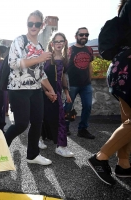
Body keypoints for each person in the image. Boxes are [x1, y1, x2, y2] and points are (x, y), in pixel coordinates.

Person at [4, 10, 56, 166]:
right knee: (21, 124)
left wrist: (50, 90)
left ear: (42, 25)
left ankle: (32, 155)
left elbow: (40, 74)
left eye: (37, 24)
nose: (33, 26)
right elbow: (13, 63)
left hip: (35, 90)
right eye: (30, 23)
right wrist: (39, 58)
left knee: (37, 122)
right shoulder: (19, 41)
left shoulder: (39, 46)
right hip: (18, 89)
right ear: (27, 24)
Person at [87, 0, 131, 185]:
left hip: (121, 68)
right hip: (127, 69)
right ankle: (100, 157)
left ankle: (123, 165)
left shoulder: (125, 9)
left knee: (128, 121)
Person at [40, 32, 74, 158]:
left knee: (60, 118)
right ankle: (39, 138)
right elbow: (40, 75)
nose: (59, 43)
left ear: (65, 42)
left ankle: (61, 146)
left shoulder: (65, 59)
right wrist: (46, 92)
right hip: (45, 91)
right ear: (52, 43)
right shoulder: (47, 57)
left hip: (57, 92)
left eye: (61, 41)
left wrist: (66, 92)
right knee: (42, 116)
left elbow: (62, 76)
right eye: (56, 41)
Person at [63, 27, 95, 139]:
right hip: (72, 84)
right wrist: (65, 85)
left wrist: (90, 80)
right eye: (81, 35)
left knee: (88, 106)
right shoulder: (70, 50)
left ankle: (82, 129)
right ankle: (64, 127)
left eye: (86, 35)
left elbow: (90, 66)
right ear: (76, 36)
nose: (84, 37)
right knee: (67, 106)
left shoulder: (89, 50)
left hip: (86, 84)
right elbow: (63, 67)